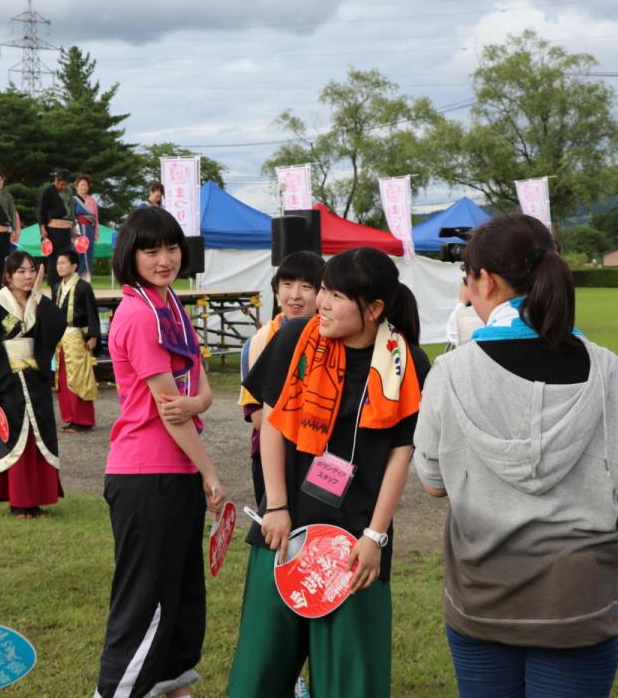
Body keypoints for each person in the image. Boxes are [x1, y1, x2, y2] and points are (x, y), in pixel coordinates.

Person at [411, 214, 618, 698]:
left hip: (480, 595)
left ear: (486, 279)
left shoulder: (450, 372)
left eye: (468, 279)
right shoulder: (607, 370)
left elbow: (433, 481)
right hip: (581, 599)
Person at [228, 247, 429, 698]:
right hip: (284, 530)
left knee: (350, 683)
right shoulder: (297, 337)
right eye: (325, 290)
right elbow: (275, 423)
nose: (322, 303)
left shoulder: (408, 362)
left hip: (357, 547)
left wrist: (375, 538)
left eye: (337, 295)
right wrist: (276, 505)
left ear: (374, 308)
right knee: (259, 673)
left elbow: (401, 454)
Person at [95, 206, 225, 698]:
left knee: (180, 600)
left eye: (171, 247)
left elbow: (202, 393)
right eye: (151, 250)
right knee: (144, 605)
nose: (164, 258)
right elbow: (173, 412)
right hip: (147, 474)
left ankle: (171, 687)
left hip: (174, 472)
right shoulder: (139, 313)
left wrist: (195, 404)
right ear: (132, 254)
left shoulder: (170, 304)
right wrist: (210, 472)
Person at [0, 249, 66, 519]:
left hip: (35, 378)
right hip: (7, 380)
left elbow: (56, 326)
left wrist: (40, 295)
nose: (28, 276)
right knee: (14, 438)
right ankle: (18, 502)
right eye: (21, 271)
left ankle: (36, 500)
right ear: (8, 276)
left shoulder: (38, 301)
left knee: (35, 439)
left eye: (31, 270)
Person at [238, 250, 324, 503]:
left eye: (307, 286)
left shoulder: (335, 339)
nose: (295, 295)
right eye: (287, 285)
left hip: (321, 456)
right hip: (274, 456)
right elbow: (257, 417)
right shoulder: (259, 342)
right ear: (277, 291)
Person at [53, 249, 99, 433]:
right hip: (61, 339)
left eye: (63, 263)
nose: (60, 266)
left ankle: (83, 419)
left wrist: (93, 335)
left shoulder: (83, 287)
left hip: (76, 337)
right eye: (58, 263)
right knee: (63, 379)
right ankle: (70, 417)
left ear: (74, 266)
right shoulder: (57, 287)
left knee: (79, 378)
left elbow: (91, 311)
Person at [38, 169, 74, 287]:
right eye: (61, 184)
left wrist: (73, 226)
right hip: (53, 228)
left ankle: (65, 281)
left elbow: (71, 209)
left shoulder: (69, 191)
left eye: (65, 184)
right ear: (56, 180)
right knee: (54, 256)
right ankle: (54, 284)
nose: (63, 187)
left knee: (66, 254)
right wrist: (42, 228)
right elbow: (42, 210)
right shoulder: (48, 191)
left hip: (66, 226)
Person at [73, 174, 99, 277]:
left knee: (89, 253)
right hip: (78, 230)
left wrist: (96, 233)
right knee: (79, 253)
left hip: (90, 230)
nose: (84, 187)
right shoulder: (73, 200)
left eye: (86, 185)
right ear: (77, 186)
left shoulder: (92, 201)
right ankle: (76, 276)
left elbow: (96, 218)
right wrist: (74, 233)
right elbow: (71, 217)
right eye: (82, 185)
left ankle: (86, 277)